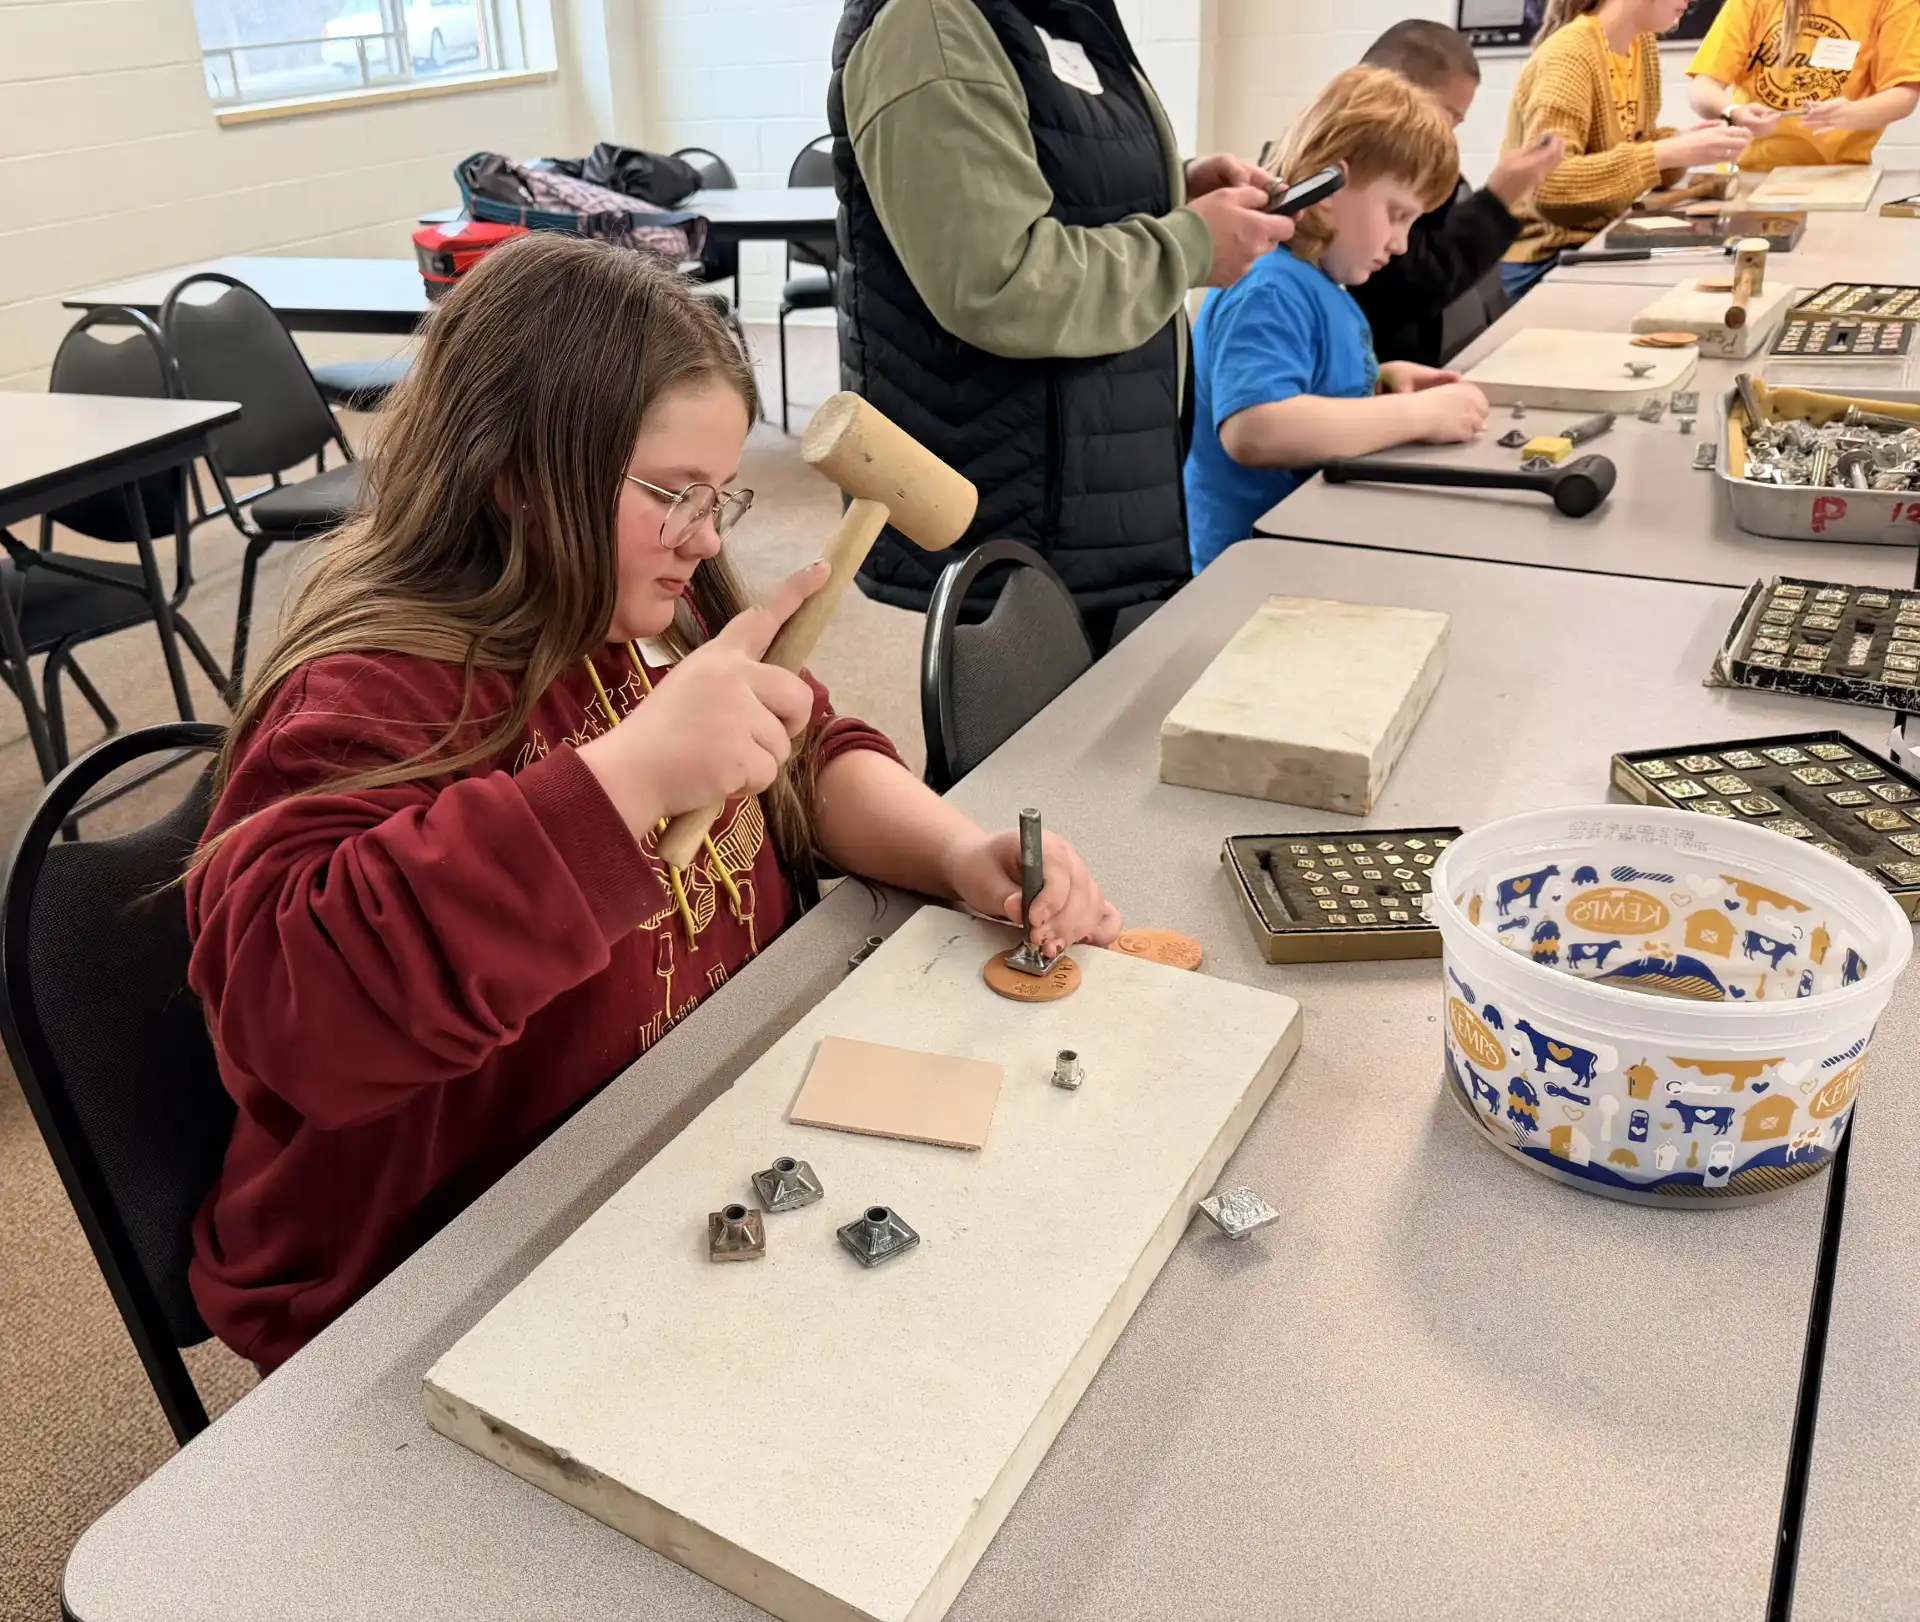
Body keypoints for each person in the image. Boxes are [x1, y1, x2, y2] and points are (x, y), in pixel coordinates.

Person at [185, 236, 1124, 1371]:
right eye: (671, 494)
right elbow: (294, 1019)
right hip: (448, 1271)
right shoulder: (369, 696)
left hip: (677, 1149)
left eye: (718, 494)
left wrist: (956, 847)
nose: (711, 534)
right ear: (516, 472)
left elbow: (809, 747)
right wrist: (624, 779)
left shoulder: (639, 618)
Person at [829, 0, 1295, 651]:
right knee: (1040, 741)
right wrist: (1187, 245)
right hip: (1024, 495)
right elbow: (997, 280)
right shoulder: (930, 23)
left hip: (1090, 478)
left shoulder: (1051, 13)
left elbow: (1046, 183)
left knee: (1105, 724)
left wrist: (1170, 194)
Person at [1183, 66, 1491, 573]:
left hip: (1309, 549)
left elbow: (1309, 392)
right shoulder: (1268, 285)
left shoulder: (1318, 284)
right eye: (1396, 214)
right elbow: (1256, 428)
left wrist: (1381, 381)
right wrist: (1419, 417)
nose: (1401, 243)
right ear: (1327, 186)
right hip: (1255, 578)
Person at [1499, 0, 1753, 299]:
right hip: (1551, 256)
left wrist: (1681, 144)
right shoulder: (1569, 54)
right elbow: (1548, 186)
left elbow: (1630, 152)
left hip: (1606, 235)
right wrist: (1667, 153)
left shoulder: (1639, 44)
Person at [1350, 20, 1567, 367]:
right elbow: (1409, 288)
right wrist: (1497, 199)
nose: (1448, 135)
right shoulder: (1354, 182)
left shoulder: (1418, 171)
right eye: (1445, 116)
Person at [1687, 0, 1920, 169]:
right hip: (1750, 174)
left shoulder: (1894, 4)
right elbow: (1703, 87)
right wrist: (1733, 112)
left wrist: (1853, 113)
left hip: (1839, 175)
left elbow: (1904, 93)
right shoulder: (1750, 3)